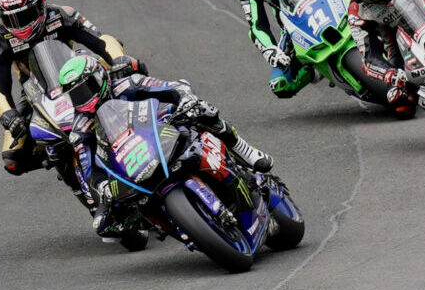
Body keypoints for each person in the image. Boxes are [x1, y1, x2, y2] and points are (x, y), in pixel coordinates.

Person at [58, 54, 270, 239]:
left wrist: (186, 100)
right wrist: (101, 187)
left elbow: (175, 87)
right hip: (132, 163)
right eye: (76, 95)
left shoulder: (127, 84)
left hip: (163, 130)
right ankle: (178, 225)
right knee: (115, 217)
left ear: (99, 78)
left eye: (87, 89)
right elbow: (89, 170)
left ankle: (245, 150)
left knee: (204, 112)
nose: (84, 98)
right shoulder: (80, 129)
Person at [0, 0, 124, 181]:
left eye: (25, 16)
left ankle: (137, 118)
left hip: (77, 73)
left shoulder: (62, 15)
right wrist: (9, 116)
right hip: (35, 92)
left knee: (123, 77)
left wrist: (121, 61)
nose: (20, 25)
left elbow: (102, 41)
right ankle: (60, 157)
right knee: (12, 159)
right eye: (12, 19)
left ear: (40, 5)